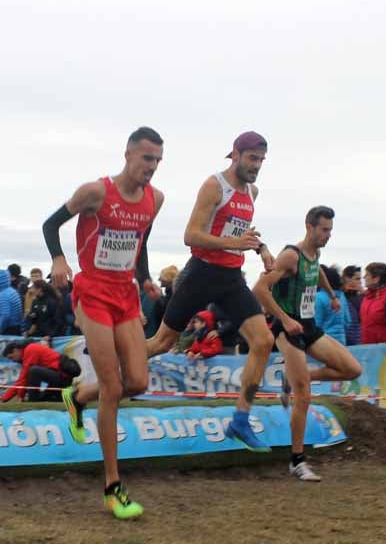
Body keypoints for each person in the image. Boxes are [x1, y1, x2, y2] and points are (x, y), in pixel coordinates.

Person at [43, 126, 166, 519]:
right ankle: (113, 487)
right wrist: (59, 259)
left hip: (125, 295)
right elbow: (51, 224)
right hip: (93, 291)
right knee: (112, 386)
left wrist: (143, 276)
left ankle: (77, 397)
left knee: (138, 382)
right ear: (128, 154)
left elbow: (139, 240)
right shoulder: (96, 192)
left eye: (158, 161)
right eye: (147, 159)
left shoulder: (155, 199)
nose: (152, 168)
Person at [145, 131, 276, 453]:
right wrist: (237, 243)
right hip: (201, 272)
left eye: (261, 161)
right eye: (252, 159)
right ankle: (101, 372)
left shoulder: (252, 192)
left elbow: (240, 232)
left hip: (231, 276)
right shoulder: (214, 185)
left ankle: (240, 421)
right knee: (162, 342)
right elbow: (191, 235)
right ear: (235, 154)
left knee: (263, 341)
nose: (256, 166)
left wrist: (260, 248)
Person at [254, 205, 363, 481]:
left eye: (330, 230)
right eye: (324, 230)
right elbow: (259, 290)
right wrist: (283, 319)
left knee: (352, 369)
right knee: (304, 397)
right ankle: (297, 461)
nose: (328, 235)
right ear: (309, 226)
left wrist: (332, 294)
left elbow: (318, 273)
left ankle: (292, 380)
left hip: (309, 325)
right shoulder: (290, 255)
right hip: (287, 327)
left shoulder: (315, 254)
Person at [0, 340, 81, 402]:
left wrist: (20, 397)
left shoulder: (30, 349)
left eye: (11, 357)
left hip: (62, 378)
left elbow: (23, 378)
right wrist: (4, 398)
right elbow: (21, 381)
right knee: (47, 398)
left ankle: (33, 401)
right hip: (59, 379)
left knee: (33, 371)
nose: (12, 361)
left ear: (16, 350)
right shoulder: (29, 350)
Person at [315, 265, 349, 346]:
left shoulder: (318, 297)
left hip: (324, 342)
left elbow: (316, 324)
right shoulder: (342, 296)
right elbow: (347, 321)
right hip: (341, 341)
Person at [0, 269, 24, 335]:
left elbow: (5, 316)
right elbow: (9, 312)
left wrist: (0, 329)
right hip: (17, 327)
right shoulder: (12, 291)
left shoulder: (3, 295)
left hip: (10, 329)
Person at [341, 265, 363, 346]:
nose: (360, 282)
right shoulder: (339, 297)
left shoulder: (361, 297)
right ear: (347, 279)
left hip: (357, 340)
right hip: (346, 340)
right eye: (357, 279)